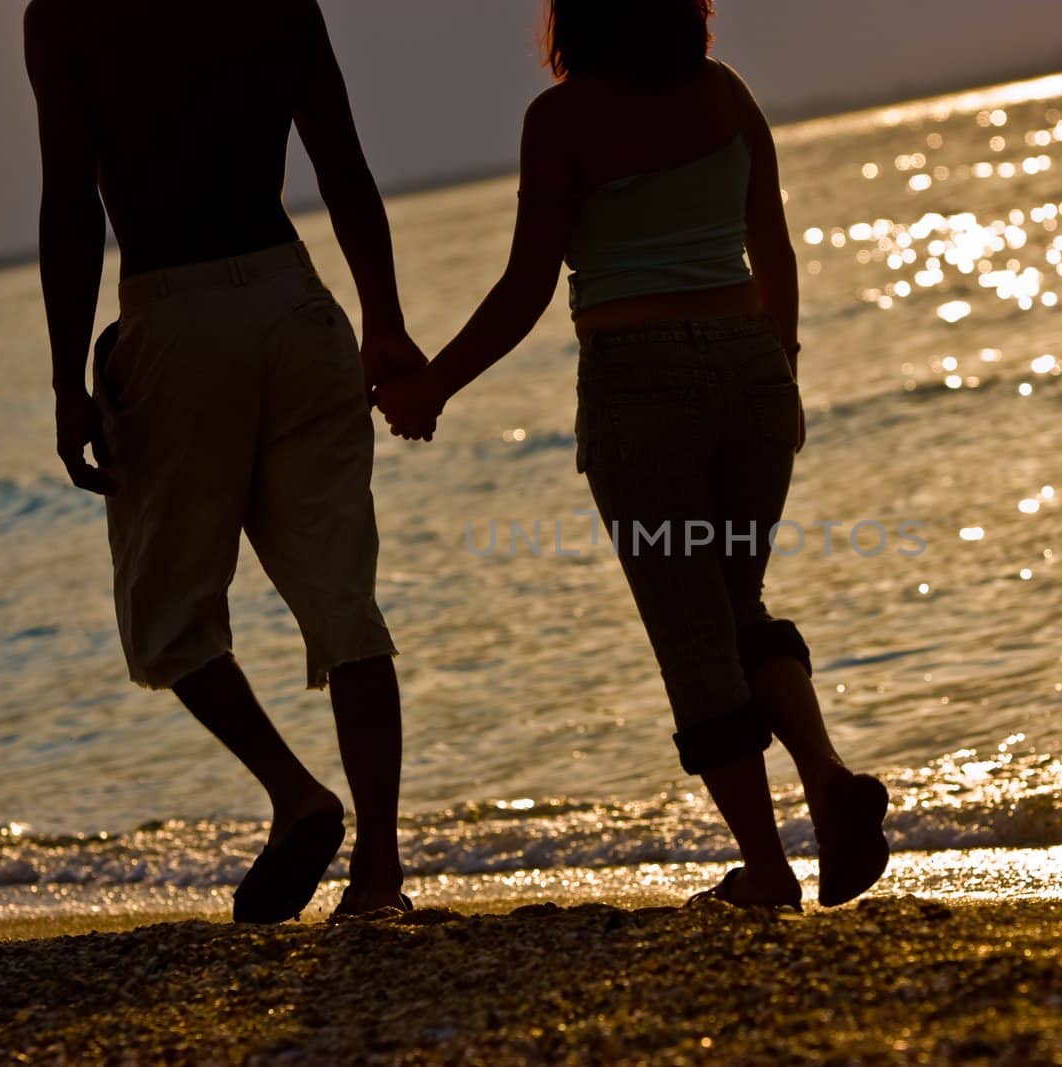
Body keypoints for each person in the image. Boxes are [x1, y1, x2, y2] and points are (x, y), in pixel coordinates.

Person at [377, 0, 888, 908]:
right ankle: (830, 781)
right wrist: (787, 369)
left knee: (695, 635)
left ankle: (768, 871)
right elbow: (771, 243)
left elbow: (530, 282)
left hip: (641, 389)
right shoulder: (726, 94)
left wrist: (434, 387)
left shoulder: (562, 119)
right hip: (753, 373)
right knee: (736, 602)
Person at [25, 0, 425, 921]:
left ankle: (297, 794)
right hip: (294, 300)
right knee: (346, 607)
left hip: (173, 308)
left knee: (168, 619)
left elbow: (70, 200)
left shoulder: (65, 17)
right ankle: (378, 879)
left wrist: (64, 379)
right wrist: (386, 321)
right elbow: (343, 167)